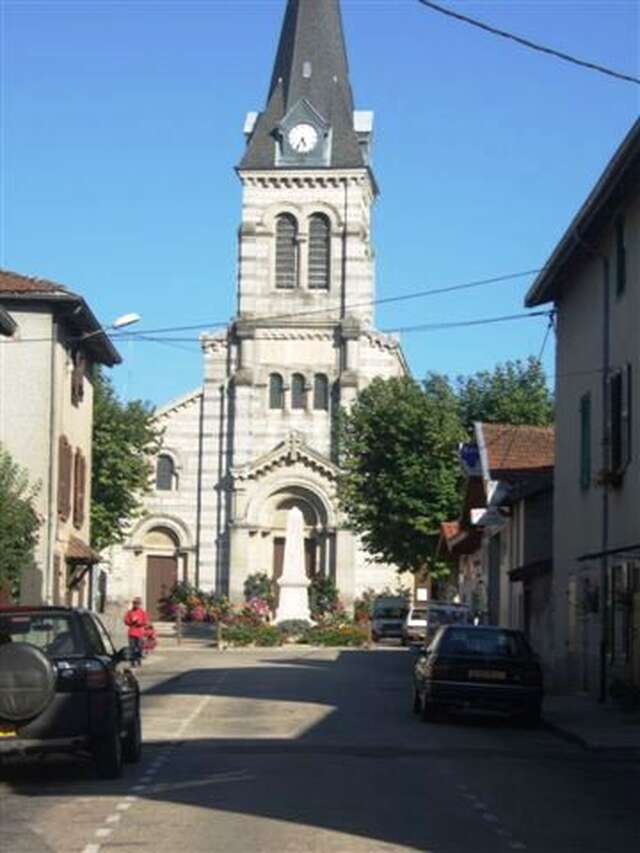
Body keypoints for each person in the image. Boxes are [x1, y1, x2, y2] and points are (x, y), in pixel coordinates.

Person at [124, 597, 148, 666]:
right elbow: (126, 620)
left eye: (137, 603)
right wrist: (131, 622)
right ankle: (132, 661)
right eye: (134, 603)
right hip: (131, 632)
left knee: (139, 647)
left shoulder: (142, 612)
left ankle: (138, 659)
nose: (136, 605)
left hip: (139, 632)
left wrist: (139, 623)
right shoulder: (129, 612)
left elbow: (145, 621)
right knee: (132, 648)